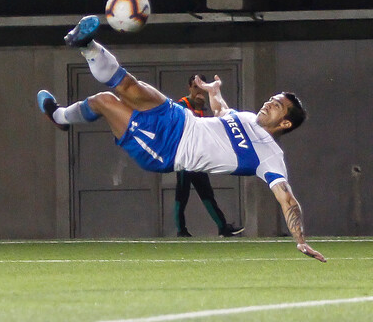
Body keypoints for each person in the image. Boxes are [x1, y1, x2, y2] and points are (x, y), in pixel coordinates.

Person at [37, 15, 326, 262]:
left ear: (285, 123)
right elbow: (224, 113)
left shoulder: (270, 157)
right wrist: (214, 92)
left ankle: (60, 118)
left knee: (104, 100)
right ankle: (85, 44)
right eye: (271, 99)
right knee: (128, 85)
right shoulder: (250, 119)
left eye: (276, 106)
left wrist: (299, 238)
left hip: (166, 148)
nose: (268, 104)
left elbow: (287, 199)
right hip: (177, 117)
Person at [174, 74, 244, 238]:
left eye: (201, 86)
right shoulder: (182, 105)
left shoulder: (202, 107)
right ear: (190, 88)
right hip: (186, 157)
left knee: (206, 192)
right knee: (182, 193)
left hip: (200, 157)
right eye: (195, 86)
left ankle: (223, 227)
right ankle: (181, 230)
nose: (198, 90)